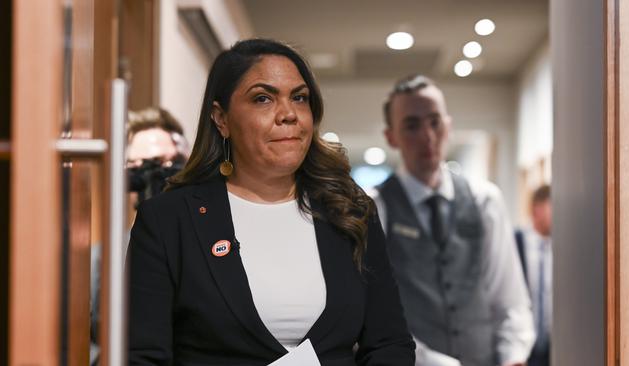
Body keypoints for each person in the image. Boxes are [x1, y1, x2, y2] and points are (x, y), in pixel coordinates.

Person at [127, 39, 415, 365]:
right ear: (221, 118)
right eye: (263, 99)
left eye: (299, 98)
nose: (289, 114)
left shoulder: (350, 211)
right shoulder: (169, 220)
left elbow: (390, 343)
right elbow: (144, 356)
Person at [371, 74, 534, 366]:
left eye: (435, 121)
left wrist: (513, 356)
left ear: (448, 125)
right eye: (412, 125)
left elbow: (510, 300)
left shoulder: (485, 200)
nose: (427, 136)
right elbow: (376, 316)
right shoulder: (376, 208)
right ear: (391, 137)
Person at [90, 107, 189, 365]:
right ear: (128, 175)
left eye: (172, 163)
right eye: (149, 166)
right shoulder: (103, 259)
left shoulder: (211, 242)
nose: (162, 175)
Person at [514, 184, 552, 366]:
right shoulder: (516, 242)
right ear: (538, 209)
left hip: (552, 350)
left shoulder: (561, 247)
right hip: (523, 349)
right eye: (552, 205)